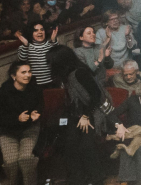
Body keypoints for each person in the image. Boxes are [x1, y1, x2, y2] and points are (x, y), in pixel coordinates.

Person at [48, 45, 116, 185]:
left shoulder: (79, 73)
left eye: (50, 61)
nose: (49, 65)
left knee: (86, 146)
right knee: (69, 143)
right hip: (78, 114)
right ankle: (77, 179)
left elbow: (96, 95)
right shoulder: (67, 76)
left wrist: (85, 116)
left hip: (94, 112)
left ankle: (97, 179)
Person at [0, 62, 43, 185]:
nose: (28, 75)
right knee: (11, 162)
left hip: (29, 129)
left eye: (29, 71)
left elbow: (40, 107)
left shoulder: (35, 90)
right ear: (13, 76)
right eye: (23, 72)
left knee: (26, 159)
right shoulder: (3, 92)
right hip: (7, 131)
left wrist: (36, 114)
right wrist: (17, 119)